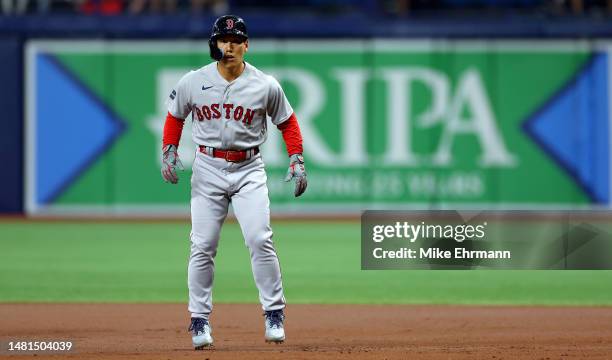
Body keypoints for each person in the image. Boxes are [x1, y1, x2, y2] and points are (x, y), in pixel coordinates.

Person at [160, 14, 307, 349]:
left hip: (248, 168)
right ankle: (198, 320)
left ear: (246, 45)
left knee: (259, 239)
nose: (228, 46)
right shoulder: (194, 81)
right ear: (214, 44)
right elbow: (175, 115)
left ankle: (274, 313)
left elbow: (288, 122)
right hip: (208, 168)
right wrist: (169, 149)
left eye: (235, 40)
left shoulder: (264, 84)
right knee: (203, 245)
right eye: (223, 40)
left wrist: (296, 158)